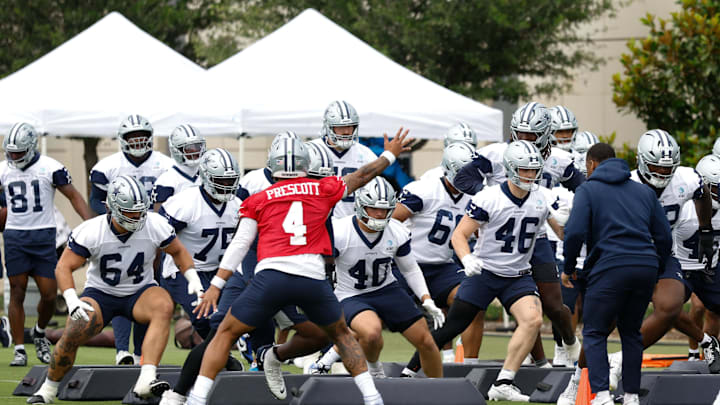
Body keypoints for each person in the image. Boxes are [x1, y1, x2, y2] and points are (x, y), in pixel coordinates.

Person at [185, 129, 412, 405]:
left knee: (225, 333)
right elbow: (362, 176)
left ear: (272, 164)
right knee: (341, 335)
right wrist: (389, 154)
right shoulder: (323, 189)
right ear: (307, 164)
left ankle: (196, 399)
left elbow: (240, 244)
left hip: (271, 277)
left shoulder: (259, 198)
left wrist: (216, 285)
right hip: (311, 278)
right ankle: (372, 398)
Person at [403, 140, 563, 402]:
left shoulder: (540, 199)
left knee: (533, 320)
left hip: (518, 276)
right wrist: (466, 259)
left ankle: (504, 381)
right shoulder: (489, 197)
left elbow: (560, 232)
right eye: (525, 170)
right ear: (511, 168)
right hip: (486, 273)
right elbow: (459, 235)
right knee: (452, 326)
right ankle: (409, 371)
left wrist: (571, 221)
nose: (530, 176)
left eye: (534, 171)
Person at [27, 176, 203, 404]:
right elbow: (64, 266)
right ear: (111, 207)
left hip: (140, 291)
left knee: (163, 304)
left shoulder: (155, 224)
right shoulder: (92, 230)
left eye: (140, 211)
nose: (137, 217)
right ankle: (48, 390)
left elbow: (178, 251)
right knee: (75, 329)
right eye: (130, 212)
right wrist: (71, 299)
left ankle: (146, 379)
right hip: (101, 293)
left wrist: (192, 278)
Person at [453, 102, 583, 367]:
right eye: (519, 133)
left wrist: (572, 210)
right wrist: (493, 201)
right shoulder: (496, 153)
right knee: (518, 304)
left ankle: (567, 344)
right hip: (500, 239)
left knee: (553, 304)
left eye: (530, 135)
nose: (523, 140)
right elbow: (462, 178)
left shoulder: (559, 159)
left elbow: (586, 189)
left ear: (546, 133)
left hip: (538, 237)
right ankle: (538, 361)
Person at [561, 143, 672, 405]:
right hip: (645, 266)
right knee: (631, 333)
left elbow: (574, 232)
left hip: (609, 266)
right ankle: (632, 396)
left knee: (595, 332)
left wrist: (568, 268)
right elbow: (664, 236)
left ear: (591, 165)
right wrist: (656, 268)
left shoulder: (588, 190)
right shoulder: (644, 191)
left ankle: (601, 396)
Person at [308, 177, 445, 378]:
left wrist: (427, 299)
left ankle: (440, 392)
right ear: (361, 205)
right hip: (350, 293)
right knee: (371, 333)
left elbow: (410, 269)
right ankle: (373, 370)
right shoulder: (339, 232)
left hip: (386, 289)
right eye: (374, 208)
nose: (380, 214)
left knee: (426, 341)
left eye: (385, 209)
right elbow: (318, 267)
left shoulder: (397, 231)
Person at [0, 122, 92, 367]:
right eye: (11, 152)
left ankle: (39, 332)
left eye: (19, 151)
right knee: (17, 290)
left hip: (44, 237)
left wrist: (92, 223)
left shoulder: (50, 167)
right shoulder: (3, 170)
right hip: (15, 236)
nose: (14, 156)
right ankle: (20, 348)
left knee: (50, 295)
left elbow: (73, 195)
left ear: (30, 148)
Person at [89, 114, 174, 365]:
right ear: (122, 139)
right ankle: (122, 351)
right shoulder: (107, 167)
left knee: (146, 289)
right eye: (132, 136)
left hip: (151, 232)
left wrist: (158, 224)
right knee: (120, 286)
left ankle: (140, 353)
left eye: (142, 136)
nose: (137, 140)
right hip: (119, 231)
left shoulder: (166, 165)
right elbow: (96, 199)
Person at [392, 142, 485, 363]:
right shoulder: (424, 190)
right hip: (407, 264)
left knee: (473, 301)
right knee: (377, 308)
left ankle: (469, 366)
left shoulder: (476, 197)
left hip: (442, 266)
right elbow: (390, 222)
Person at [310, 100, 378, 219]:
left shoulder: (366, 154)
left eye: (350, 126)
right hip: (319, 222)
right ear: (329, 126)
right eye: (341, 127)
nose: (346, 131)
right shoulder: (311, 151)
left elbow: (374, 193)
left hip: (354, 223)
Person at [151, 124, 206, 211]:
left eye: (198, 146)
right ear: (177, 150)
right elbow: (160, 219)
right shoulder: (166, 181)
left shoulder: (208, 174)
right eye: (189, 147)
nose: (195, 150)